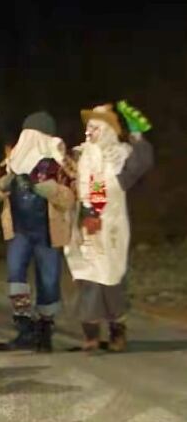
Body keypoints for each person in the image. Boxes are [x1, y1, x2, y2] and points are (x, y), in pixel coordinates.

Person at [64, 102, 154, 352]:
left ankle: (117, 331)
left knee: (111, 278)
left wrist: (137, 134)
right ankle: (91, 334)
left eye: (95, 127)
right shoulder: (82, 155)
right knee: (88, 276)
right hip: (86, 228)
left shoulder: (118, 158)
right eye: (88, 127)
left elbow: (136, 165)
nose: (89, 132)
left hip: (110, 228)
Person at [0, 112, 75, 351]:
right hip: (19, 230)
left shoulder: (58, 164)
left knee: (49, 280)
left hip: (48, 232)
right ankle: (24, 326)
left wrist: (53, 191)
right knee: (16, 276)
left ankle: (45, 329)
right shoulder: (11, 162)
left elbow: (70, 197)